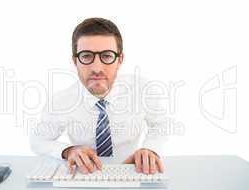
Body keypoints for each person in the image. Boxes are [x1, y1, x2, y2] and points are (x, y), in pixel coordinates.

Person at [30, 17, 167, 175]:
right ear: (75, 61)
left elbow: (161, 125)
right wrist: (68, 150)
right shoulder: (62, 101)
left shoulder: (142, 90)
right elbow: (37, 140)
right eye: (87, 56)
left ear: (120, 59)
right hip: (84, 175)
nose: (96, 68)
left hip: (132, 172)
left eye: (107, 56)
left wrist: (150, 149)